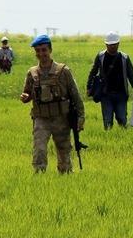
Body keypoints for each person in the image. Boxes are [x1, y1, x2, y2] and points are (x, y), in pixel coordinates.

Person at [19, 35, 85, 173]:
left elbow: (75, 95)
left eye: (44, 50)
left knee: (64, 151)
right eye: (37, 51)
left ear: (50, 50)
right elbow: (27, 93)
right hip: (41, 119)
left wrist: (81, 117)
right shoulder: (32, 73)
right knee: (39, 149)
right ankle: (39, 177)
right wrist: (25, 97)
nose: (41, 54)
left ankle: (65, 177)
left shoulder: (63, 71)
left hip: (61, 118)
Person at [86, 32, 133, 130]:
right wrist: (88, 87)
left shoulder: (124, 58)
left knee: (122, 120)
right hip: (106, 94)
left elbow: (131, 75)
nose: (112, 47)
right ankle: (108, 139)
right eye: (110, 45)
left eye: (114, 44)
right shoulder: (100, 57)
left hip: (121, 94)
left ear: (118, 44)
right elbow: (93, 72)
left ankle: (123, 139)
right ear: (106, 44)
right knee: (107, 122)